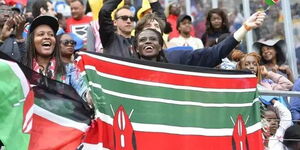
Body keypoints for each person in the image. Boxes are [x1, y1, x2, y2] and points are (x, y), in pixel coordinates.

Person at [133, 10, 265, 67]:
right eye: (147, 27)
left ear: (161, 37)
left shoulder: (177, 56)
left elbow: (214, 53)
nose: (151, 30)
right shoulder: (125, 61)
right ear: (136, 40)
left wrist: (245, 27)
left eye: (156, 26)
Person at [22, 15, 87, 97]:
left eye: (51, 35)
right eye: (41, 34)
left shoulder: (69, 68)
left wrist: (90, 97)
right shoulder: (22, 69)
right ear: (32, 41)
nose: (47, 37)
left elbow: (83, 90)